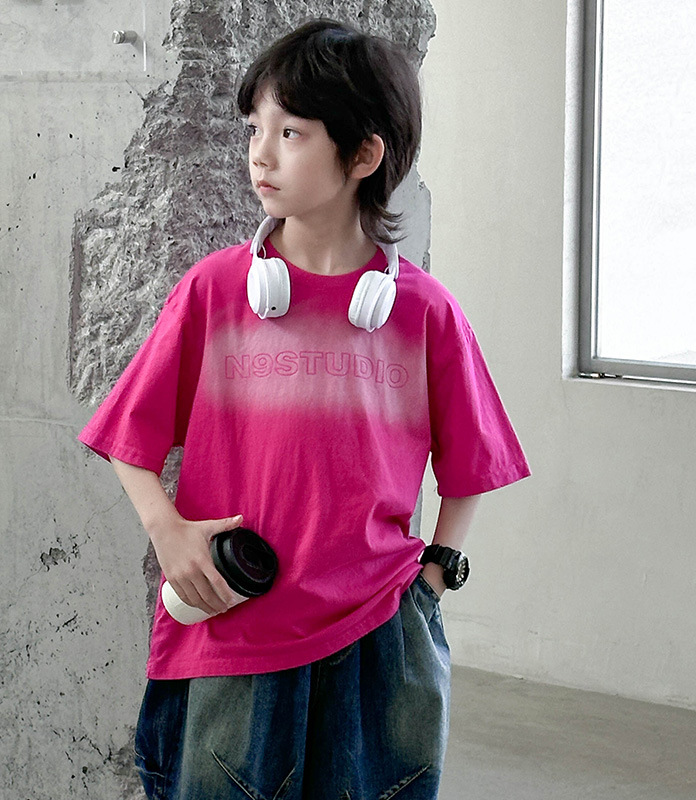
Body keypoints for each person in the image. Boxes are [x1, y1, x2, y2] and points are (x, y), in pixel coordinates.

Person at [78, 18, 529, 800]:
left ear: (363, 155)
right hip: (237, 630)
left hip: (380, 636)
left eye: (291, 133)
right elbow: (128, 436)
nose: (261, 153)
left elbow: (472, 465)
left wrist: (433, 580)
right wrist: (168, 532)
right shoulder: (216, 292)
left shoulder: (423, 313)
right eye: (255, 129)